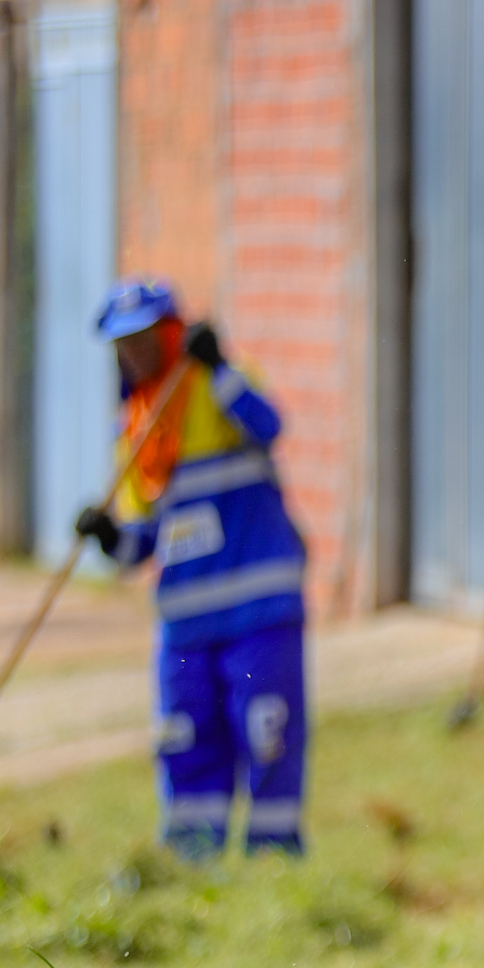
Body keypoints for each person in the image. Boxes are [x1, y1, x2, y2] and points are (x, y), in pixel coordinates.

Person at [74, 278, 310, 860]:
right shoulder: (133, 432)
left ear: (172, 332)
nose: (136, 352)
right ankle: (189, 860)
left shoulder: (217, 385)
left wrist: (219, 366)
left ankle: (273, 859)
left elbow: (270, 426)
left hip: (257, 612)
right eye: (123, 344)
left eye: (147, 337)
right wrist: (108, 538)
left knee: (267, 733)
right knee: (184, 740)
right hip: (185, 629)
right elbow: (142, 544)